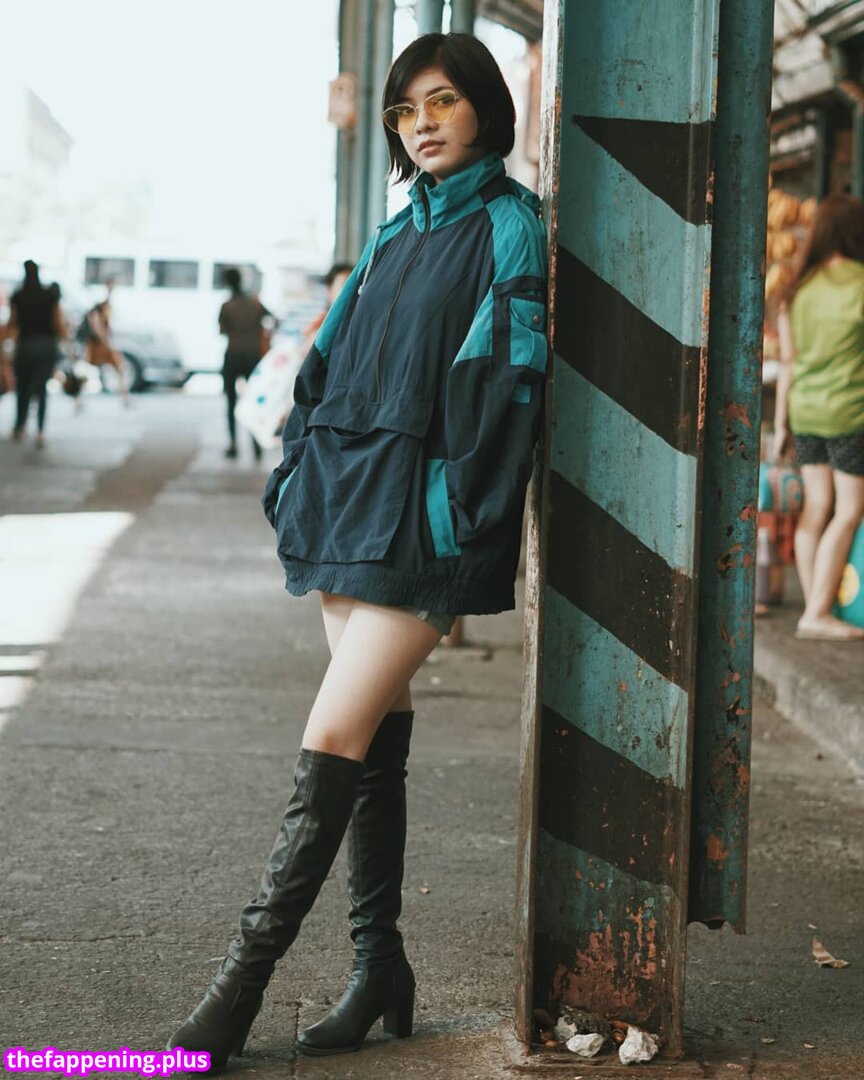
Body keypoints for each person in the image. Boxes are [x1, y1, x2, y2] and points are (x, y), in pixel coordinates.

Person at [168, 33, 548, 1068]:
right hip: (346, 509)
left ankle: (236, 994)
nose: (423, 123)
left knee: (334, 732)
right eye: (405, 110)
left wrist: (459, 515)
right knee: (374, 737)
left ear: (485, 109)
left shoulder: (510, 225)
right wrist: (296, 472)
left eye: (443, 101)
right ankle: (380, 965)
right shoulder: (392, 232)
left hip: (418, 528)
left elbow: (505, 381)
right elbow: (324, 361)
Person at [774, 194, 864, 641]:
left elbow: (788, 362)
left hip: (804, 410)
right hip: (848, 411)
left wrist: (780, 424)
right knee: (848, 510)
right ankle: (817, 613)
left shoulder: (798, 288)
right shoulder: (860, 283)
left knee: (816, 508)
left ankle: (815, 607)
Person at [8, 261, 64, 448]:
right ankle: (40, 430)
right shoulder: (49, 295)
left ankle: (20, 425)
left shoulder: (18, 295)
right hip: (46, 345)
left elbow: (12, 323)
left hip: (25, 345)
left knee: (22, 387)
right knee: (41, 389)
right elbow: (57, 321)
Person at [218, 267, 273, 460]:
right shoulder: (255, 304)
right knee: (254, 399)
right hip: (253, 357)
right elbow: (273, 319)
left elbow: (222, 330)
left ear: (227, 282)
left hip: (233, 356)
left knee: (231, 401)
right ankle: (256, 444)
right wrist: (265, 336)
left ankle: (233, 444)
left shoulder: (227, 306)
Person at [81, 281, 129, 405]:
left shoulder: (105, 305)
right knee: (88, 371)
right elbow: (96, 323)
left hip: (100, 343)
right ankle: (78, 400)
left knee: (118, 367)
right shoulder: (99, 307)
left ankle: (125, 397)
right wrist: (105, 340)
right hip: (98, 344)